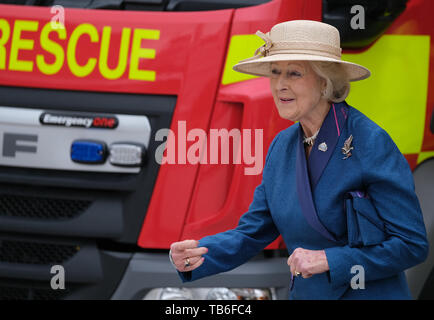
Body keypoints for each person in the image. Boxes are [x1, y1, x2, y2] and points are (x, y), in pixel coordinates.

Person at [169, 20, 429, 299]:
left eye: (294, 73)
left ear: (325, 81)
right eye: (275, 72)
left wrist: (330, 260)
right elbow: (253, 231)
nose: (280, 85)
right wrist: (200, 253)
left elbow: (411, 245)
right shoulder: (282, 146)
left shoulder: (370, 141)